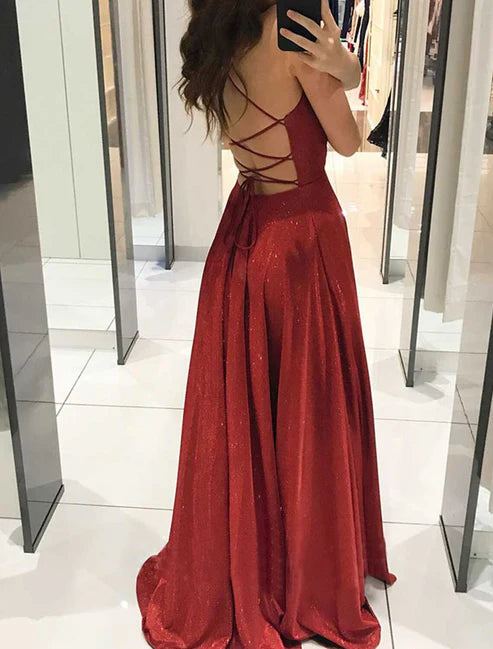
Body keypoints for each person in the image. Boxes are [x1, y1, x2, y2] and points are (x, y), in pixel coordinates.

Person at [136, 2, 396, 648]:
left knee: (249, 414)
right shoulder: (291, 28)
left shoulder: (214, 28)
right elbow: (347, 141)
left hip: (246, 233)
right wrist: (347, 70)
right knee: (310, 412)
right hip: (302, 241)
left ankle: (254, 560)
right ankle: (308, 575)